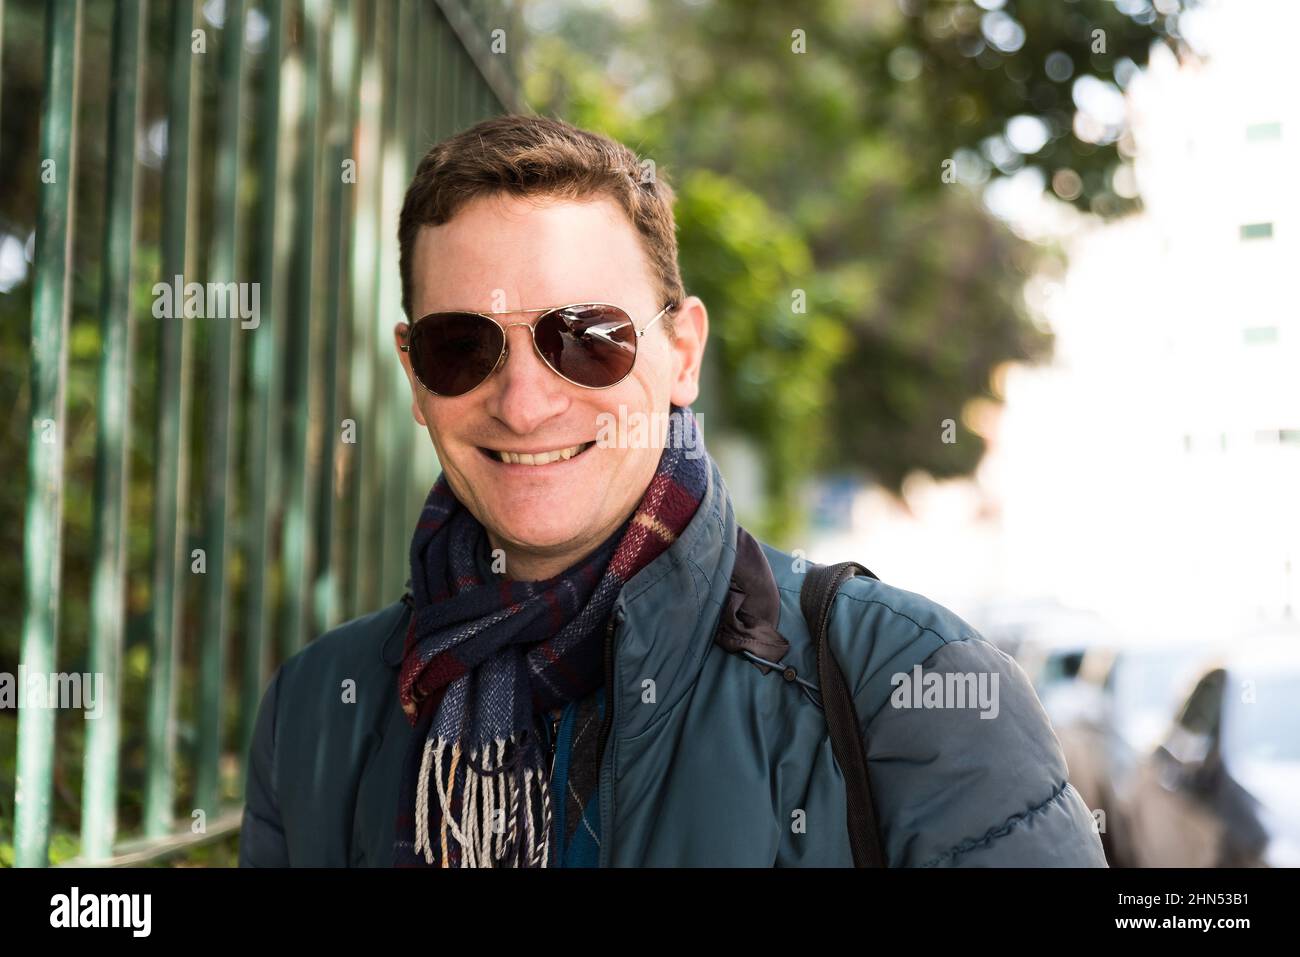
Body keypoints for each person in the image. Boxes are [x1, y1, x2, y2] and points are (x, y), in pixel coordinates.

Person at [238, 113, 1107, 868]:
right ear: (416, 376)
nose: (525, 402)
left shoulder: (908, 686)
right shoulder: (317, 709)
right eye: (463, 346)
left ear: (682, 352)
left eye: (584, 338)